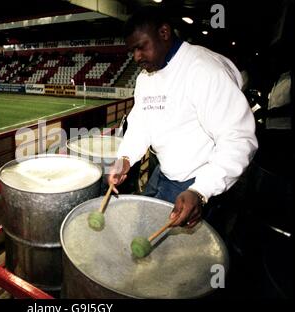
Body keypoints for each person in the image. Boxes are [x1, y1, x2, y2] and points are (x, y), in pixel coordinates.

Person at [108, 6, 258, 228]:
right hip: (165, 172)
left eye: (141, 47)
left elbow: (238, 139)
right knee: (141, 229)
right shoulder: (145, 78)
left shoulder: (203, 71)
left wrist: (201, 191)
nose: (136, 57)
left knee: (172, 256)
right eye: (132, 51)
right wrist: (126, 158)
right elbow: (141, 124)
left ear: (164, 33)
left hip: (197, 182)